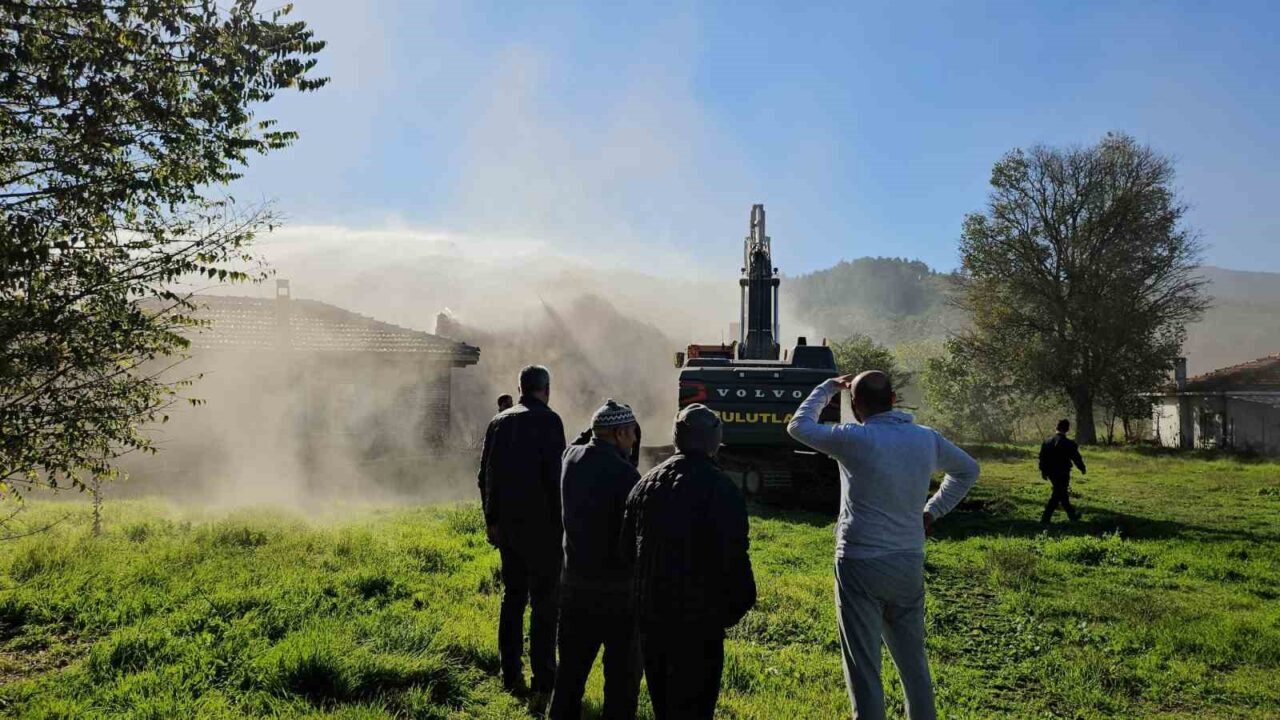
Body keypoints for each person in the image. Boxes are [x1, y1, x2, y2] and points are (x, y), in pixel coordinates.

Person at [788, 371, 979, 720]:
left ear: (857, 406)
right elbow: (968, 470)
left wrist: (828, 388)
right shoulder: (926, 439)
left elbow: (798, 427)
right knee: (913, 664)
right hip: (907, 560)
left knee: (864, 667)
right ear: (894, 400)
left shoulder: (854, 438)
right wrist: (932, 511)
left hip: (859, 562)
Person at [620, 404, 756, 720]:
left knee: (664, 707)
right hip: (699, 625)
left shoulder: (644, 484)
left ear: (677, 439)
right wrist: (731, 611)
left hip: (652, 620)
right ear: (714, 442)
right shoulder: (722, 488)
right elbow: (735, 559)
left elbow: (626, 552)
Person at [477, 365, 567, 703]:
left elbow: (485, 475)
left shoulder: (498, 422)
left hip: (509, 528)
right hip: (543, 529)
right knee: (545, 604)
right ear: (546, 389)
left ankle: (510, 673)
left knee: (513, 597)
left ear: (520, 388)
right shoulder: (550, 421)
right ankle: (543, 681)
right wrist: (564, 525)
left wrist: (491, 520)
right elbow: (556, 477)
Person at [550, 400, 644, 720]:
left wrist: (594, 428)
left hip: (574, 587)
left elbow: (580, 441)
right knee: (621, 681)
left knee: (570, 676)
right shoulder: (627, 476)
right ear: (619, 433)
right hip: (618, 594)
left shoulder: (570, 458)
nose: (634, 440)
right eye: (631, 433)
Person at [1039, 419, 1086, 524]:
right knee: (1058, 494)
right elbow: (1076, 457)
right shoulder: (1069, 444)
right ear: (1067, 429)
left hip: (1051, 472)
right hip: (1063, 472)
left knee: (1061, 493)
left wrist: (1043, 471)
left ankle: (1072, 516)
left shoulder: (1047, 442)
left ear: (1056, 427)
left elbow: (1042, 458)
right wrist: (1082, 468)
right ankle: (1045, 518)